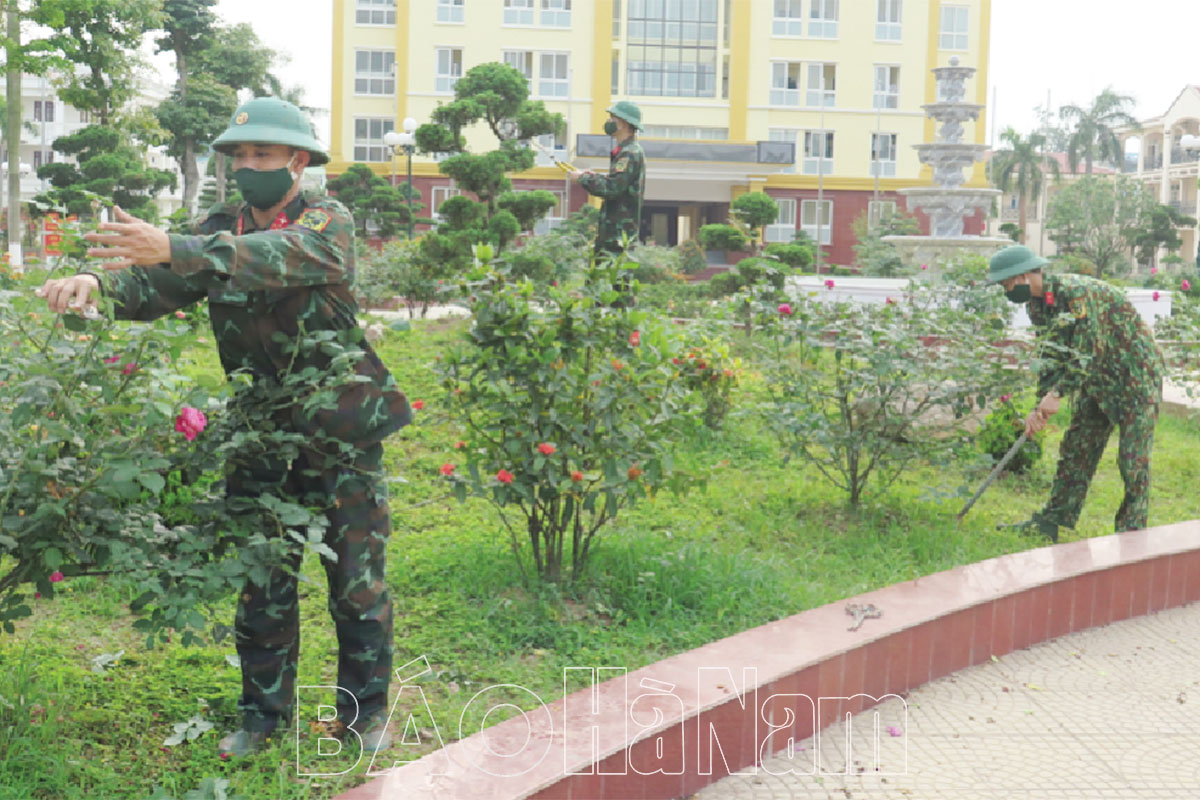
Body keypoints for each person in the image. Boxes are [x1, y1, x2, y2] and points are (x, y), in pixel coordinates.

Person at [37, 97, 411, 757]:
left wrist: (178, 247)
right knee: (263, 581)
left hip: (342, 431)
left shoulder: (329, 220)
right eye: (237, 155)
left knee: (356, 584)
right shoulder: (218, 225)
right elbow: (157, 286)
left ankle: (362, 717)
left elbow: (279, 255)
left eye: (261, 155)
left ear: (298, 161)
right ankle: (263, 718)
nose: (246, 166)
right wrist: (96, 279)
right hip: (261, 434)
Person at [987, 244, 1163, 542]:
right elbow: (1051, 355)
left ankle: (1132, 534)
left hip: (1135, 377)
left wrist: (1058, 393)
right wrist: (1038, 404)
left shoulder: (1076, 293)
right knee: (1076, 448)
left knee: (1132, 459)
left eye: (1007, 283)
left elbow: (1087, 348)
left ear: (1027, 274)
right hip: (1097, 379)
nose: (1006, 290)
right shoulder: (1038, 305)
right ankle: (1052, 520)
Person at [570, 101, 646, 263]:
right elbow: (616, 182)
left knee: (613, 284)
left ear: (624, 123)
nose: (609, 122)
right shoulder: (625, 151)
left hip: (618, 238)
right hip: (612, 234)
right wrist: (594, 176)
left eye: (613, 118)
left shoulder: (630, 154)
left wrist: (583, 178)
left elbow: (612, 188)